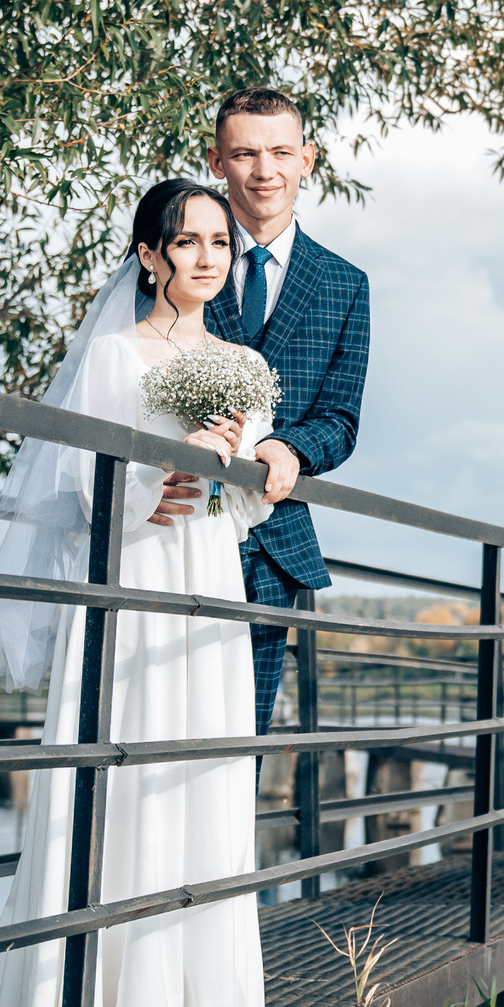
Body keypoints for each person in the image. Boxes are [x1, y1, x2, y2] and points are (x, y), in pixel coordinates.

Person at [0, 179, 275, 1007]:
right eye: (187, 242)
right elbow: (81, 488)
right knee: (125, 757)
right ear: (149, 256)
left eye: (219, 242)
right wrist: (155, 486)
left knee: (197, 765)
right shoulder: (115, 358)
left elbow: (241, 509)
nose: (206, 257)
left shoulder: (241, 366)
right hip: (136, 574)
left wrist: (239, 473)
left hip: (207, 578)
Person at [181, 87, 369, 733]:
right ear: (216, 160)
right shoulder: (176, 257)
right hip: (172, 524)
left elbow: (341, 418)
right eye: (245, 153)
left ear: (308, 158)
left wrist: (291, 447)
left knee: (242, 739)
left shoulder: (345, 285)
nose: (265, 171)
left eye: (281, 151)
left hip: (273, 545)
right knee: (155, 724)